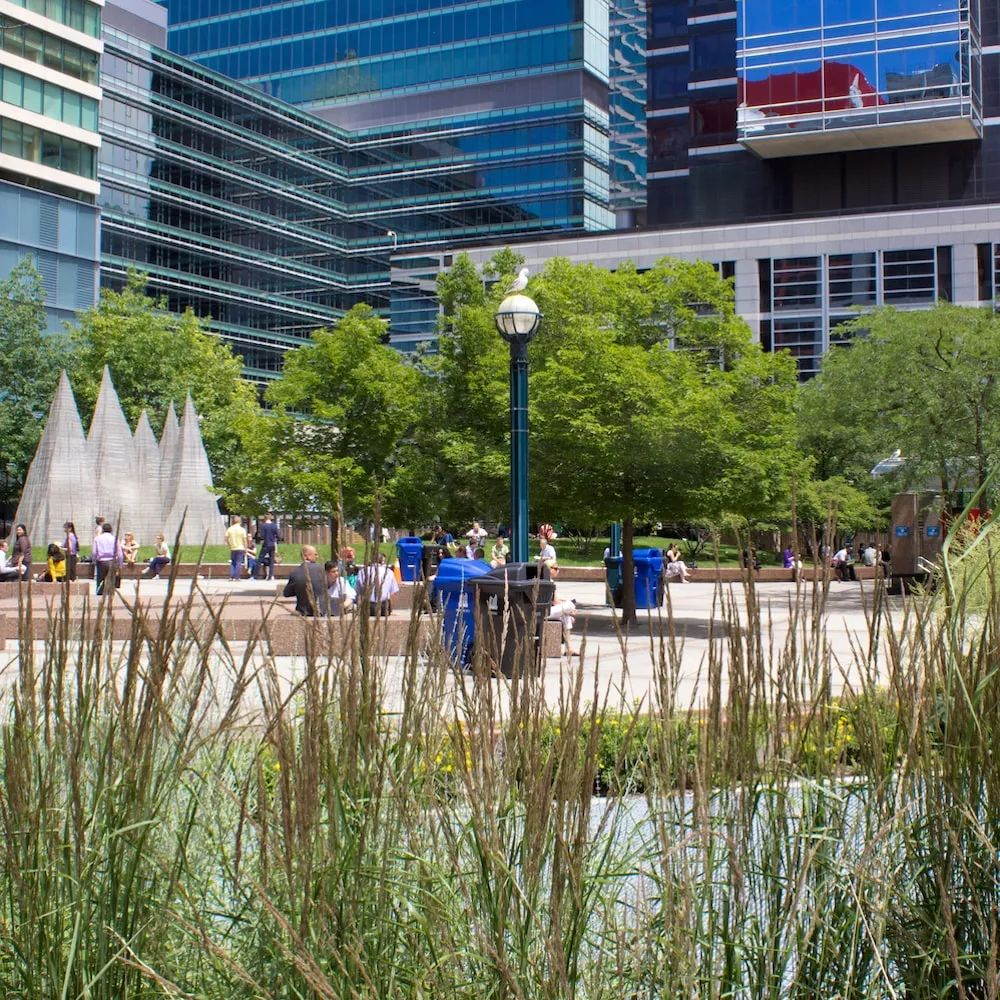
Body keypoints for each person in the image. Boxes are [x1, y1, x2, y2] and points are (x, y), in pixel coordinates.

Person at [283, 544, 330, 616]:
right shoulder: (321, 569)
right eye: (315, 554)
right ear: (306, 556)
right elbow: (328, 585)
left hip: (302, 611)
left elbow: (286, 593)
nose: (317, 556)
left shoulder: (294, 572)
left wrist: (299, 589)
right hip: (320, 611)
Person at [92, 523, 123, 595]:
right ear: (111, 530)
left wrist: (94, 560)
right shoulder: (115, 539)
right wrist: (120, 564)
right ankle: (110, 593)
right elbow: (120, 553)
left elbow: (94, 552)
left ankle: (100, 593)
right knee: (111, 579)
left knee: (100, 579)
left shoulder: (97, 539)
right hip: (112, 561)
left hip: (101, 562)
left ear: (102, 530)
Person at [257, 511, 280, 580]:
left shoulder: (263, 526)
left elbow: (261, 536)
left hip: (265, 544)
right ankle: (271, 575)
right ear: (271, 518)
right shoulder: (274, 525)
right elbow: (278, 535)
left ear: (265, 518)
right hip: (272, 544)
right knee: (271, 560)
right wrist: (275, 540)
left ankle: (255, 575)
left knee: (260, 559)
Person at [225, 515, 248, 581]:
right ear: (239, 521)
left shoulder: (229, 529)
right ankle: (237, 577)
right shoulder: (242, 530)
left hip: (233, 548)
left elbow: (226, 539)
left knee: (233, 562)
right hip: (240, 548)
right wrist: (245, 548)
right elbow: (244, 540)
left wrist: (229, 545)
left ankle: (231, 576)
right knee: (238, 562)